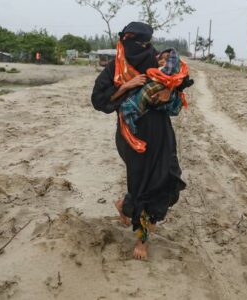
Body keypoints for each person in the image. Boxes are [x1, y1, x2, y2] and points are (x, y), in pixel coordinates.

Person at [91, 21, 191, 260]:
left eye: (147, 43)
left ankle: (125, 206)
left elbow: (181, 79)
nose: (144, 48)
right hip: (131, 135)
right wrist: (125, 86)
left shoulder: (155, 59)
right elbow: (98, 100)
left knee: (166, 178)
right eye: (138, 43)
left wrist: (169, 91)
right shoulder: (114, 68)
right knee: (143, 186)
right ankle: (142, 241)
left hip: (161, 132)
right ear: (125, 41)